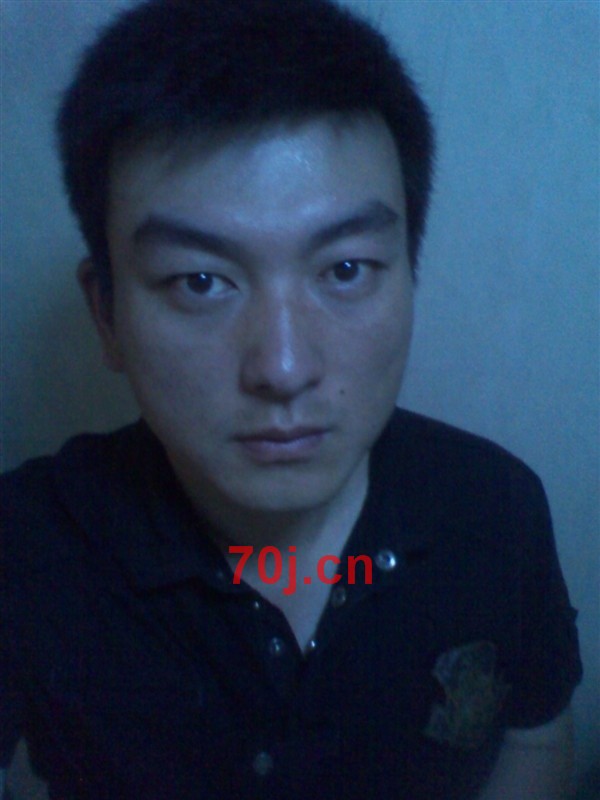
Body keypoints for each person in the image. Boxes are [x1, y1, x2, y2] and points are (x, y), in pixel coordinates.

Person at [0, 0, 583, 798]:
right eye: (199, 281)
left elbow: (535, 733)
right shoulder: (26, 552)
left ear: (410, 277)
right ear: (107, 314)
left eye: (345, 269)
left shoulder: (498, 510)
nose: (282, 367)